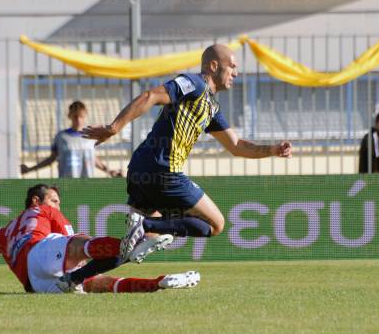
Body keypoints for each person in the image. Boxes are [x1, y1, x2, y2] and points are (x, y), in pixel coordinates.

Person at [82, 44, 292, 260]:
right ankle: (145, 225)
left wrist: (273, 149)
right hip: (164, 171)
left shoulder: (211, 106)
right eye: (232, 66)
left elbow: (236, 145)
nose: (235, 73)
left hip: (140, 169)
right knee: (216, 224)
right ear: (213, 65)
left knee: (138, 244)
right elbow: (151, 95)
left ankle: (74, 278)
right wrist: (114, 127)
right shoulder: (194, 84)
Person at [0, 184, 198, 294]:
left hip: (36, 285)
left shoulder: (2, 234)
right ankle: (128, 245)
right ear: (36, 201)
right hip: (39, 253)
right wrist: (110, 252)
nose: (57, 205)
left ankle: (160, 282)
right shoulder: (44, 210)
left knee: (101, 284)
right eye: (55, 200)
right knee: (81, 245)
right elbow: (73, 242)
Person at [21, 101, 123, 178]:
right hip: (67, 184)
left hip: (87, 183)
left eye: (81, 116)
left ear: (85, 116)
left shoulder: (91, 135)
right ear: (70, 116)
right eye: (75, 117)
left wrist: (109, 171)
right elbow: (51, 159)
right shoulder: (61, 137)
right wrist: (30, 169)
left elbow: (92, 159)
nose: (78, 120)